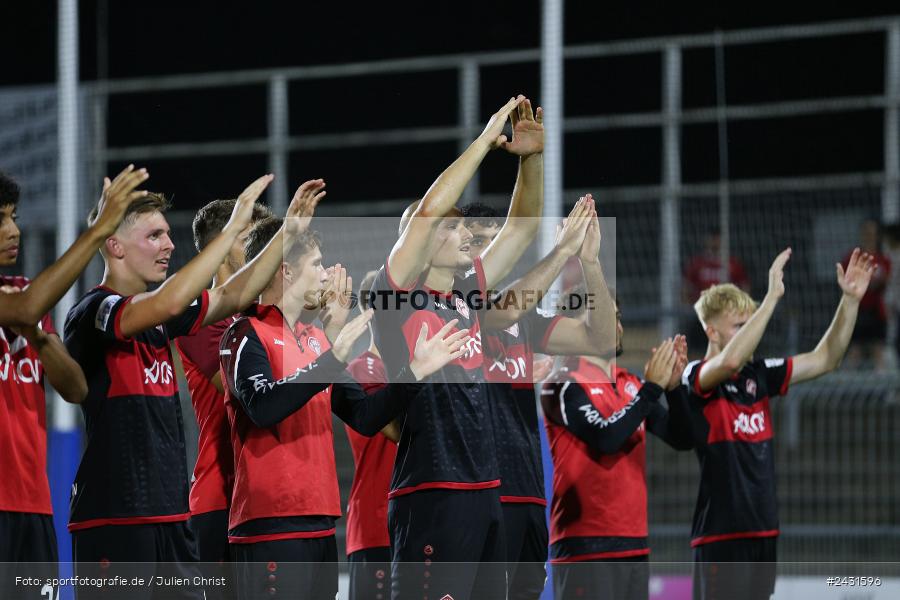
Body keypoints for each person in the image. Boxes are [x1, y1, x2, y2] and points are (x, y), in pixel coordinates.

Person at [63, 173, 304, 599]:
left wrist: (288, 233)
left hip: (173, 517)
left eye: (167, 235)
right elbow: (171, 301)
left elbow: (233, 294)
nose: (169, 245)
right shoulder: (93, 311)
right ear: (115, 246)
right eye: (154, 235)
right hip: (116, 520)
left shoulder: (159, 323)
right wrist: (229, 232)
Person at [219, 217, 470, 600]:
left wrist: (413, 372)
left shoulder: (316, 339)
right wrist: (330, 359)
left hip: (320, 525)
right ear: (285, 271)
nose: (326, 274)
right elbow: (263, 406)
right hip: (269, 526)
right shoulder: (244, 332)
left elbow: (366, 417)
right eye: (317, 264)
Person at [370, 95, 545, 600]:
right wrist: (485, 141)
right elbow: (427, 212)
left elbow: (521, 227)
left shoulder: (466, 294)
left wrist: (530, 158)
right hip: (432, 491)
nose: (465, 231)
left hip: (484, 488)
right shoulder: (395, 297)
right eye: (453, 226)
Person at [673, 247, 875, 600]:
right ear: (712, 332)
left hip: (763, 531)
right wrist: (770, 299)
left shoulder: (759, 374)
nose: (753, 332)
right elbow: (731, 359)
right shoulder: (695, 376)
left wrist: (850, 301)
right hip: (722, 536)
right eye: (741, 325)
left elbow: (826, 358)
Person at [461, 195, 617, 600]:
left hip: (529, 493)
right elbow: (504, 312)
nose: (493, 252)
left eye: (499, 241)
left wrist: (590, 263)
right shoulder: (457, 305)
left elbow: (599, 339)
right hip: (481, 495)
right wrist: (562, 250)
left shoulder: (526, 320)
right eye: (480, 242)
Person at [0, 167, 146, 600]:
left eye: (14, 217)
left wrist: (38, 335)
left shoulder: (26, 296)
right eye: (0, 219)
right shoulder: (27, 299)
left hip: (34, 505)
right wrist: (100, 229)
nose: (13, 230)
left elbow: (76, 388)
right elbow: (27, 306)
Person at [540, 304, 691, 600]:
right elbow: (606, 438)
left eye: (618, 317)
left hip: (634, 543)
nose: (617, 325)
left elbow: (683, 438)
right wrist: (652, 390)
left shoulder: (630, 383)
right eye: (605, 317)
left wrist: (673, 388)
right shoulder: (561, 384)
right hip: (584, 547)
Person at [173, 192, 276, 600]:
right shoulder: (201, 320)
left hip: (263, 497)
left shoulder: (266, 315)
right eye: (248, 235)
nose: (260, 247)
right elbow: (247, 394)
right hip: (220, 498)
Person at [342, 271, 400, 600]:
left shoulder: (401, 370)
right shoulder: (363, 370)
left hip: (409, 524)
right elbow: (398, 432)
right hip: (376, 527)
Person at [682, 231, 751, 357]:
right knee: (698, 345)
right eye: (712, 239)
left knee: (726, 346)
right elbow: (687, 287)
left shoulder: (732, 263)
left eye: (717, 239)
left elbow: (744, 288)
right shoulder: (698, 263)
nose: (715, 242)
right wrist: (690, 306)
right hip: (701, 314)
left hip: (725, 314)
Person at [841, 218, 891, 370]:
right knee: (854, 353)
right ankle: (851, 391)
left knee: (878, 353)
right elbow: (846, 280)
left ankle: (882, 391)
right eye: (866, 232)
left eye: (872, 232)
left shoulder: (884, 259)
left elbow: (884, 281)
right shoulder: (852, 257)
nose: (869, 235)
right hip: (856, 311)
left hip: (876, 313)